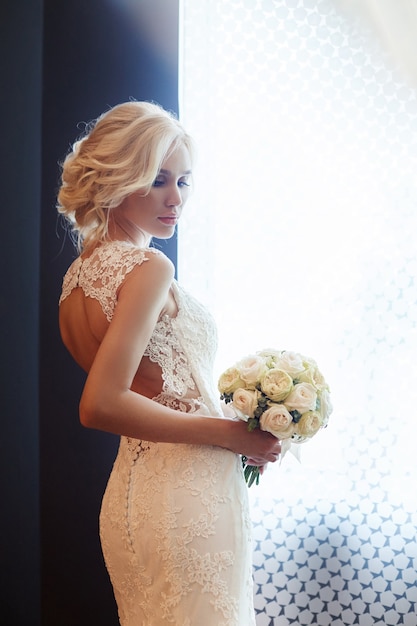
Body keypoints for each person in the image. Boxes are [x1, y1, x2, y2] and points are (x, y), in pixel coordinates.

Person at [57, 100, 281, 626]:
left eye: (183, 181)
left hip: (132, 498)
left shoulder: (77, 277)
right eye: (157, 179)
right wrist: (230, 434)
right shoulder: (148, 266)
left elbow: (147, 388)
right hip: (187, 497)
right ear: (117, 176)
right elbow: (102, 403)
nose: (174, 199)